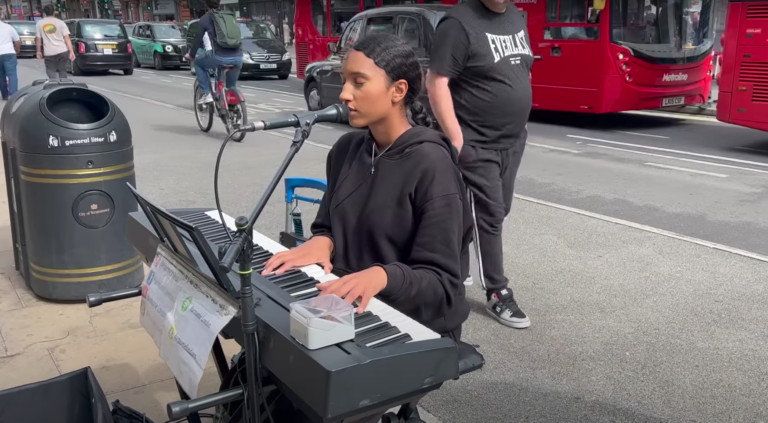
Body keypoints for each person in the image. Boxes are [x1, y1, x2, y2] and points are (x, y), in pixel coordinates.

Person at [262, 33, 472, 348]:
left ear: (398, 91)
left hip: (409, 319)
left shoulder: (432, 165)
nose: (345, 94)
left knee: (299, 378)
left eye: (358, 82)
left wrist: (381, 276)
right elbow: (328, 226)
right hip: (344, 300)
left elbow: (441, 284)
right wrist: (322, 242)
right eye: (344, 81)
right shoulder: (346, 149)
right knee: (266, 345)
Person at [427, 0, 533, 329]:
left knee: (498, 210)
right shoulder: (458, 24)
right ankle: (498, 292)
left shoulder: (515, 15)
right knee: (490, 216)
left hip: (512, 141)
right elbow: (436, 82)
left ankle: (453, 266)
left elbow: (520, 68)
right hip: (476, 142)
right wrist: (456, 139)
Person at [187, 0, 243, 105]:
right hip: (238, 57)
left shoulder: (205, 19)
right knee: (230, 87)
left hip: (219, 56)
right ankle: (233, 109)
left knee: (198, 63)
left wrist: (191, 55)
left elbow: (198, 41)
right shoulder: (229, 15)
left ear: (206, 4)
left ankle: (206, 94)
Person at [35, 4, 75, 79]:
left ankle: (54, 85)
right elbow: (67, 38)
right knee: (62, 69)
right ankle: (63, 86)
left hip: (49, 52)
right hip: (62, 51)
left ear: (45, 13)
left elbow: (38, 38)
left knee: (51, 70)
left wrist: (38, 51)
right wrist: (71, 51)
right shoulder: (61, 23)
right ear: (54, 12)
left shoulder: (40, 24)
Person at [0, 18, 20, 100]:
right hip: (9, 52)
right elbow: (17, 40)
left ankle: (5, 94)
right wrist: (17, 50)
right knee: (12, 74)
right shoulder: (8, 27)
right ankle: (13, 95)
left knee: (1, 75)